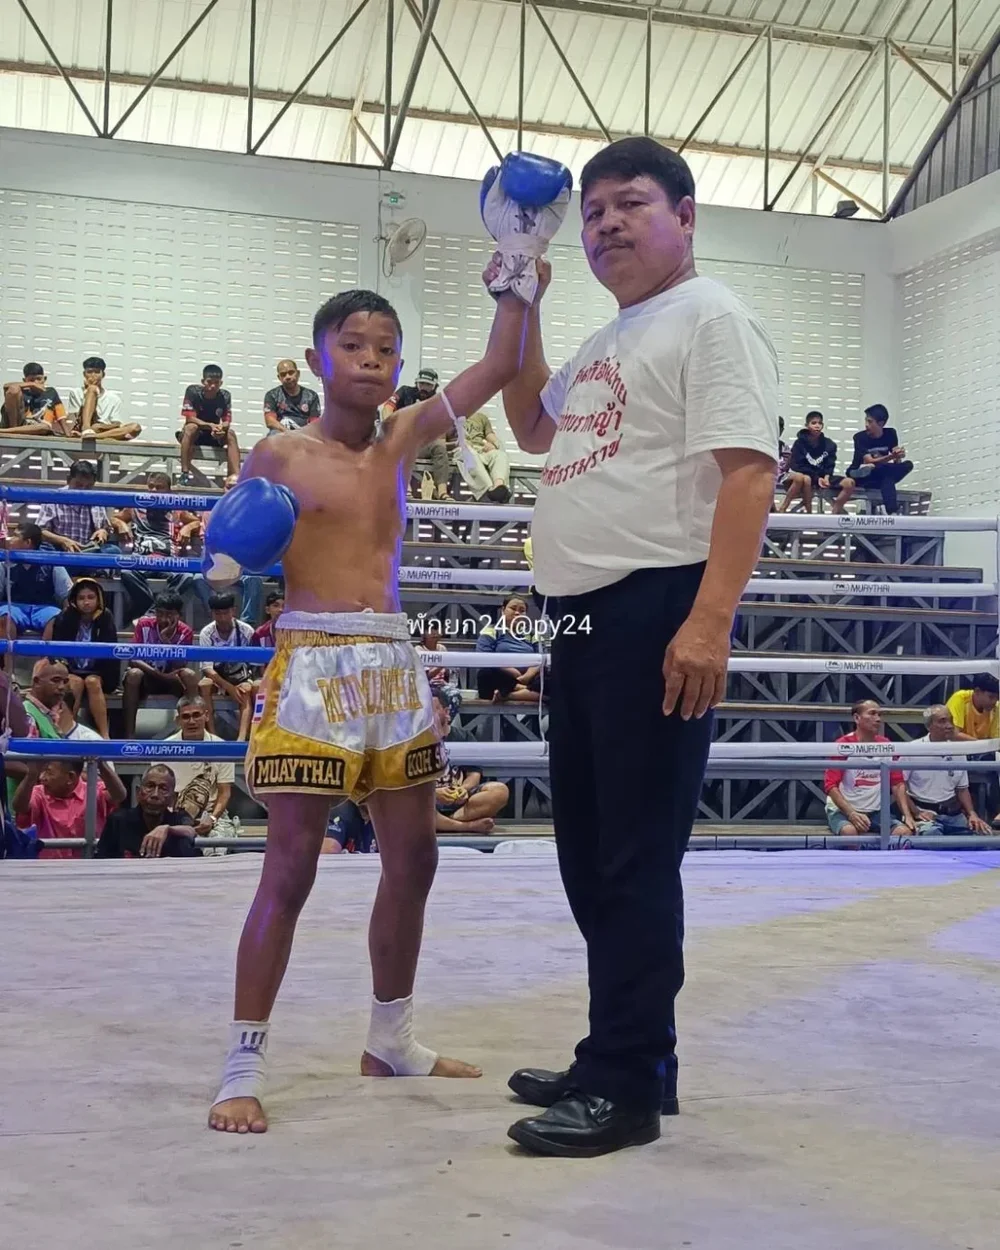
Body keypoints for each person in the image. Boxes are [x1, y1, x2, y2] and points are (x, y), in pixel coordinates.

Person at [498, 138, 779, 1156]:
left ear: (686, 216)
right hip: (579, 616)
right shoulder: (612, 335)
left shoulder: (712, 317)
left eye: (630, 204)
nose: (606, 224)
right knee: (587, 852)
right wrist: (519, 292)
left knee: (632, 855)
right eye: (593, 212)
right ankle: (621, 1052)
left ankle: (623, 1081)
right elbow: (531, 423)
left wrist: (707, 619)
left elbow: (747, 473)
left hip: (655, 605)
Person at [203, 271, 535, 1134]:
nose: (372, 360)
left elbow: (500, 362)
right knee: (292, 867)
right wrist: (226, 567)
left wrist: (516, 270)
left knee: (416, 860)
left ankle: (391, 1039)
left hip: (390, 659)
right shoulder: (279, 453)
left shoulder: (402, 439)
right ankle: (243, 1062)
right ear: (318, 358)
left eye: (386, 348)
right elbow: (231, 566)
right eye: (353, 345)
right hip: (313, 661)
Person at [115, 469, 202, 620]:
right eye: (151, 486)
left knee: (187, 576)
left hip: (169, 561)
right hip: (141, 559)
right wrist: (121, 524)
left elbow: (196, 521)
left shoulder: (177, 509)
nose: (154, 490)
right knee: (125, 572)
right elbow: (114, 518)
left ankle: (151, 612)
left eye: (159, 487)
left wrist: (187, 527)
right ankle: (156, 609)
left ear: (168, 490)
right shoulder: (135, 507)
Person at [823, 700, 916, 838]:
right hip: (843, 810)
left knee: (904, 833)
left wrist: (907, 815)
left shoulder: (886, 745)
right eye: (872, 714)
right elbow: (830, 785)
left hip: (876, 811)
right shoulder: (843, 745)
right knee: (849, 833)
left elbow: (897, 783)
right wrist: (851, 813)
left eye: (879, 714)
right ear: (856, 718)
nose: (878, 719)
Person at [13, 756, 125, 860]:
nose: (42, 777)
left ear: (70, 777)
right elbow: (19, 807)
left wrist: (100, 762)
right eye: (42, 771)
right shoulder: (39, 792)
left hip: (88, 868)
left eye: (49, 772)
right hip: (46, 870)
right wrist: (31, 776)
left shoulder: (93, 790)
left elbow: (119, 795)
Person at [122, 591, 199, 738]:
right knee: (133, 675)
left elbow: (180, 663)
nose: (164, 618)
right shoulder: (144, 625)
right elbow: (133, 659)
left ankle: (193, 734)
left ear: (178, 615)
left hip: (172, 678)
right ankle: (129, 736)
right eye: (160, 613)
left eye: (169, 614)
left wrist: (166, 641)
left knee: (190, 675)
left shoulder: (185, 632)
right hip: (148, 676)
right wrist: (157, 674)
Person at [905, 705, 991, 836]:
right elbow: (899, 787)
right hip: (925, 813)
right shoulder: (911, 750)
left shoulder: (958, 750)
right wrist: (916, 812)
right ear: (929, 726)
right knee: (932, 836)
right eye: (942, 721)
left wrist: (972, 814)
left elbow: (962, 789)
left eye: (951, 721)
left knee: (982, 836)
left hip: (954, 814)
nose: (949, 725)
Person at [50, 577, 119, 738]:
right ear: (74, 600)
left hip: (99, 672)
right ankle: (68, 732)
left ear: (98, 599)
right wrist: (65, 669)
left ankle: (105, 736)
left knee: (92, 682)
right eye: (81, 598)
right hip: (72, 670)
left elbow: (112, 653)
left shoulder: (106, 617)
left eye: (91, 597)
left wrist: (104, 676)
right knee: (75, 682)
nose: (86, 602)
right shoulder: (65, 617)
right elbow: (57, 649)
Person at [432, 692, 508, 833]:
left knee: (499, 791)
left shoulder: (464, 736)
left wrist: (463, 789)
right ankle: (467, 826)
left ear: (446, 712)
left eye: (432, 710)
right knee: (409, 802)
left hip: (460, 803)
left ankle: (445, 824)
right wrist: (434, 793)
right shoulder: (415, 741)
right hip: (430, 800)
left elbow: (474, 774)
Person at [0, 523, 72, 670]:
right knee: (5, 618)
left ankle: (44, 670)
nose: (10, 540)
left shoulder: (51, 561)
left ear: (27, 543)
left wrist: (70, 618)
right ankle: (8, 674)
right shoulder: (4, 562)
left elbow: (67, 594)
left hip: (44, 607)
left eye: (15, 536)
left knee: (56, 619)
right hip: (14, 606)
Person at [163, 696, 235, 836]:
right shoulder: (164, 748)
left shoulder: (222, 747)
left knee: (216, 846)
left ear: (206, 716)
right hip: (174, 814)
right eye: (186, 717)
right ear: (178, 720)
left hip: (213, 816)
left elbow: (224, 793)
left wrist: (212, 819)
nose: (192, 721)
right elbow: (164, 795)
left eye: (196, 715)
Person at [97, 764, 201, 858]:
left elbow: (191, 830)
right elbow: (101, 863)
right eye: (150, 786)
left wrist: (167, 829)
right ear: (138, 792)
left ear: (172, 798)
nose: (155, 794)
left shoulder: (179, 819)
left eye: (163, 788)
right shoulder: (118, 821)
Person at [36, 460, 127, 557]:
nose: (83, 490)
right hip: (61, 550)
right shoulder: (54, 498)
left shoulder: (95, 500)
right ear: (68, 480)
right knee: (44, 549)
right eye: (78, 485)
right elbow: (41, 531)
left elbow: (106, 528)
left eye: (88, 487)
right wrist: (64, 541)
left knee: (113, 551)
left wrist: (102, 532)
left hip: (87, 551)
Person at [384, 368, 451, 500]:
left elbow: (442, 430)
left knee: (440, 448)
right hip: (403, 441)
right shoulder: (404, 391)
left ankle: (443, 492)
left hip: (424, 444)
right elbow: (388, 407)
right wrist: (391, 427)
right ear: (417, 383)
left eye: (428, 385)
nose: (424, 388)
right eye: (422, 384)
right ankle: (406, 489)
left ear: (435, 386)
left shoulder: (438, 401)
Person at [197, 591, 256, 739]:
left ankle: (241, 739)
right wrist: (228, 686)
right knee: (204, 685)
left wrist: (247, 682)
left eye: (226, 612)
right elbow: (207, 668)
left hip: (240, 675)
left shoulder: (246, 631)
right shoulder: (206, 633)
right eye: (218, 613)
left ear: (233, 611)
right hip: (217, 677)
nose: (222, 618)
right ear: (212, 613)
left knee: (246, 690)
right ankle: (211, 735)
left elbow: (252, 665)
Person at [946, 673, 1000, 827]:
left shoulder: (996, 707)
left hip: (983, 752)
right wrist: (981, 744)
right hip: (956, 751)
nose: (994, 701)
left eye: (997, 697)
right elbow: (953, 734)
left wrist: (983, 747)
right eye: (991, 697)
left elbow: (996, 740)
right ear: (977, 691)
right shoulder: (960, 698)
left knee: (995, 759)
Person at [845, 404, 913, 514]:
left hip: (878, 474)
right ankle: (892, 511)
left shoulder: (890, 433)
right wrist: (891, 456)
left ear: (881, 423)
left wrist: (898, 455)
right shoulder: (860, 437)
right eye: (866, 421)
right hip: (860, 475)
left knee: (905, 466)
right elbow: (869, 460)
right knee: (875, 469)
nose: (866, 425)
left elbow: (896, 460)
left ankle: (892, 511)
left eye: (870, 422)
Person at [178, 365, 240, 483]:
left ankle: (235, 477)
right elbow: (190, 417)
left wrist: (221, 428)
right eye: (209, 382)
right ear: (203, 381)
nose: (213, 386)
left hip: (213, 434)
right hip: (196, 434)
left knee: (231, 434)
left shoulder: (225, 396)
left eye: (216, 383)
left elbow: (227, 420)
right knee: (191, 428)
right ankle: (184, 473)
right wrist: (210, 425)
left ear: (221, 383)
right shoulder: (193, 391)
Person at [475, 595, 541, 701]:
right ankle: (526, 690)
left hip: (528, 679)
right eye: (513, 608)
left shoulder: (532, 634)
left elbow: (541, 658)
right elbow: (484, 657)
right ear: (503, 610)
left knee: (553, 678)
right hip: (501, 678)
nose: (517, 613)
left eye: (522, 610)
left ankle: (509, 695)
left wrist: (527, 676)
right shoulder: (492, 630)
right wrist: (513, 672)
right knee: (485, 673)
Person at [64, 356, 142, 441]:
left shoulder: (113, 398)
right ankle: (87, 430)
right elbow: (74, 418)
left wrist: (101, 426)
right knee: (92, 389)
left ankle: (94, 436)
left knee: (135, 428)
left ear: (103, 375)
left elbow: (116, 423)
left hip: (102, 430)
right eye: (89, 372)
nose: (93, 376)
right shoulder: (76, 393)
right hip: (83, 428)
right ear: (84, 374)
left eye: (97, 372)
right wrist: (88, 391)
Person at [778, 412, 838, 514]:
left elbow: (830, 463)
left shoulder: (829, 444)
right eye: (813, 423)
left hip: (812, 477)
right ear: (807, 425)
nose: (817, 426)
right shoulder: (799, 443)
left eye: (819, 423)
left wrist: (825, 476)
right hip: (777, 475)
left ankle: (809, 511)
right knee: (804, 478)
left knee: (806, 479)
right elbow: (796, 465)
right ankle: (785, 507)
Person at [0, 362, 69, 435]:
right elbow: (6, 386)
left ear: (44, 379)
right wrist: (31, 385)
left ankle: (5, 431)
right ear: (24, 381)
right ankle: (12, 430)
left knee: (45, 427)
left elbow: (61, 417)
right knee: (14, 389)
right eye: (31, 380)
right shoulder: (22, 392)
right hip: (19, 423)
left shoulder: (51, 392)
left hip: (36, 427)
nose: (36, 382)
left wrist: (68, 435)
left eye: (39, 379)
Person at [457, 411, 511, 503]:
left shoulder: (481, 417)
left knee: (500, 455)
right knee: (470, 453)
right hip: (461, 450)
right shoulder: (449, 416)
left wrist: (494, 445)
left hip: (480, 450)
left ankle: (498, 486)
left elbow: (491, 437)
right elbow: (441, 441)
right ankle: (489, 491)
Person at [415, 620, 461, 718]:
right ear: (423, 633)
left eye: (436, 629)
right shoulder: (418, 650)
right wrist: (442, 663)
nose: (434, 632)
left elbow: (449, 672)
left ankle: (446, 723)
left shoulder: (442, 648)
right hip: (426, 686)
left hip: (442, 686)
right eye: (430, 629)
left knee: (456, 694)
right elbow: (425, 676)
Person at [264, 359, 320, 434]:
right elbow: (270, 421)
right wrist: (288, 432)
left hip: (304, 433)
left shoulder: (311, 396)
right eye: (283, 374)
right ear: (279, 377)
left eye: (291, 373)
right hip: (281, 432)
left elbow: (315, 422)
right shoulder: (272, 395)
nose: (288, 377)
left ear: (298, 374)